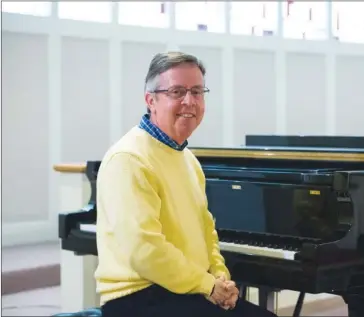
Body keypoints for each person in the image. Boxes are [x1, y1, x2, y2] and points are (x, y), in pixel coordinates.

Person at [94, 51, 278, 317]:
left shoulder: (188, 159)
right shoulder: (129, 159)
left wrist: (219, 276)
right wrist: (207, 285)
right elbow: (145, 251)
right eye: (177, 92)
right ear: (151, 100)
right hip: (139, 297)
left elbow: (206, 230)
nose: (189, 101)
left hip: (184, 290)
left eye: (197, 91)